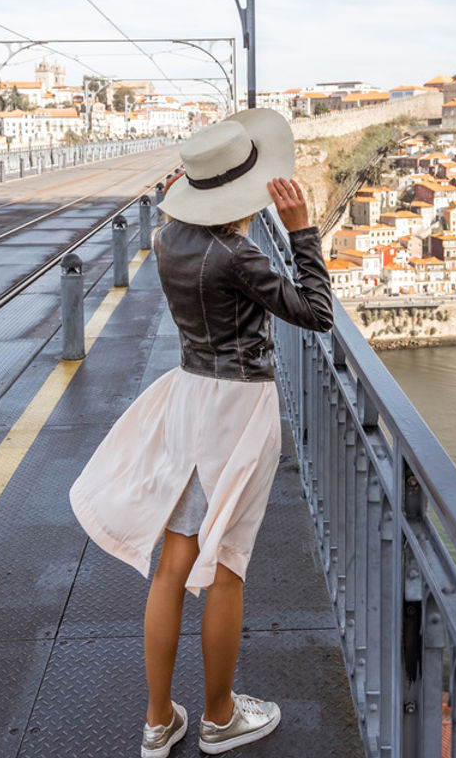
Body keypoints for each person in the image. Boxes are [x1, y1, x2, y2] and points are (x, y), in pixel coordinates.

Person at [68, 107, 334, 757]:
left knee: (174, 562)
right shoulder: (238, 257)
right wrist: (302, 232)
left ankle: (159, 721)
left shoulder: (169, 240)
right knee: (227, 568)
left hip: (188, 397)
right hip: (237, 411)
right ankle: (219, 718)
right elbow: (317, 312)